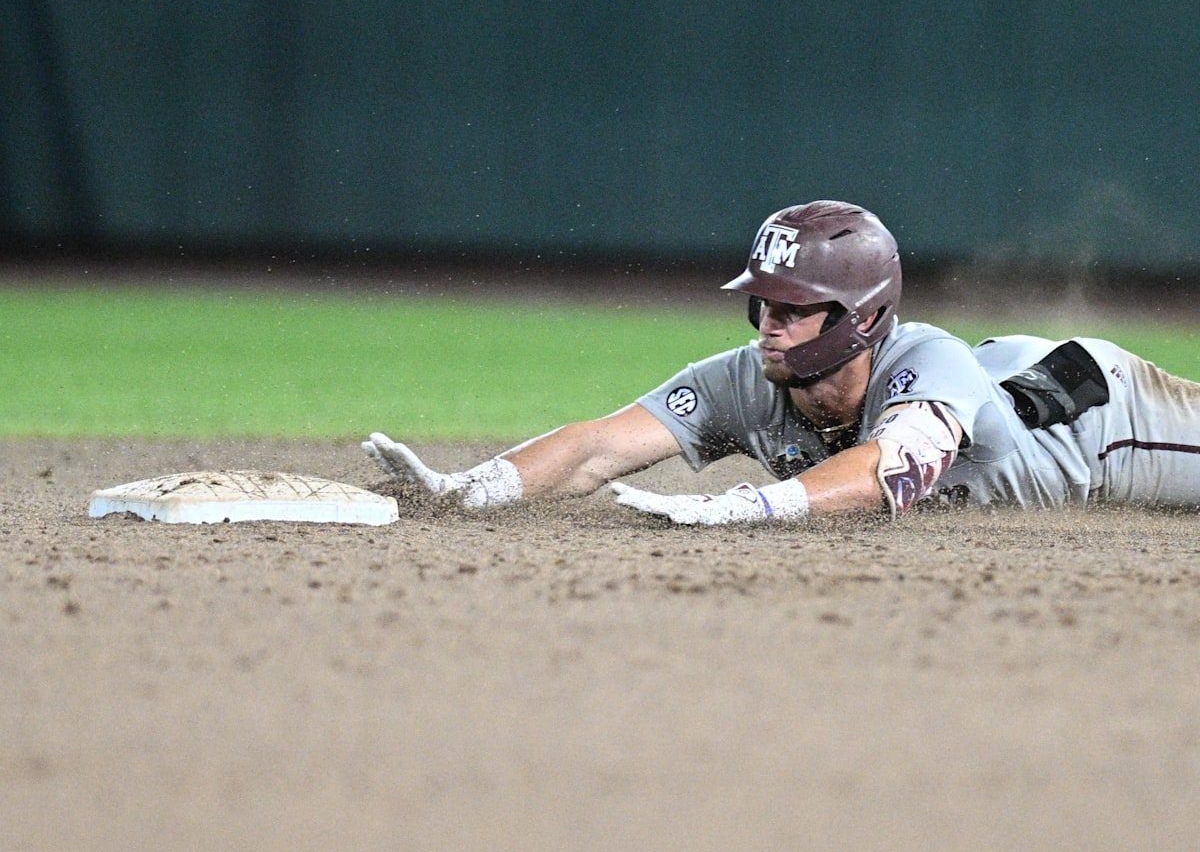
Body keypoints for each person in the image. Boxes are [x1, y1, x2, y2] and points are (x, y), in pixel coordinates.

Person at [363, 200, 1200, 524]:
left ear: (861, 316)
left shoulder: (926, 361)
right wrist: (466, 489)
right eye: (763, 302)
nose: (769, 324)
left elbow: (889, 474)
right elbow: (596, 446)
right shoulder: (750, 376)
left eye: (795, 308)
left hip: (1104, 422)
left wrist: (749, 507)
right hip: (1004, 377)